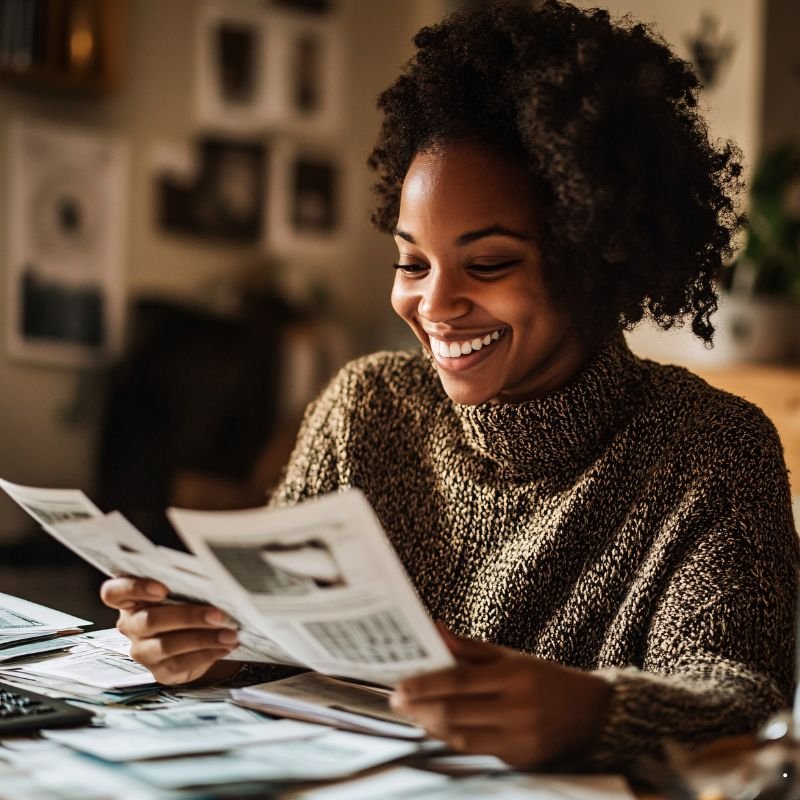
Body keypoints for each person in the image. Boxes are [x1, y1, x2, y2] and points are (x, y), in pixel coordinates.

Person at [101, 0, 798, 770]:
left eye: (489, 264)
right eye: (411, 262)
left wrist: (596, 711)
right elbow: (285, 643)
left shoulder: (713, 450)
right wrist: (214, 643)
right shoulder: (365, 407)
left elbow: (745, 708)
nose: (433, 305)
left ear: (598, 259)